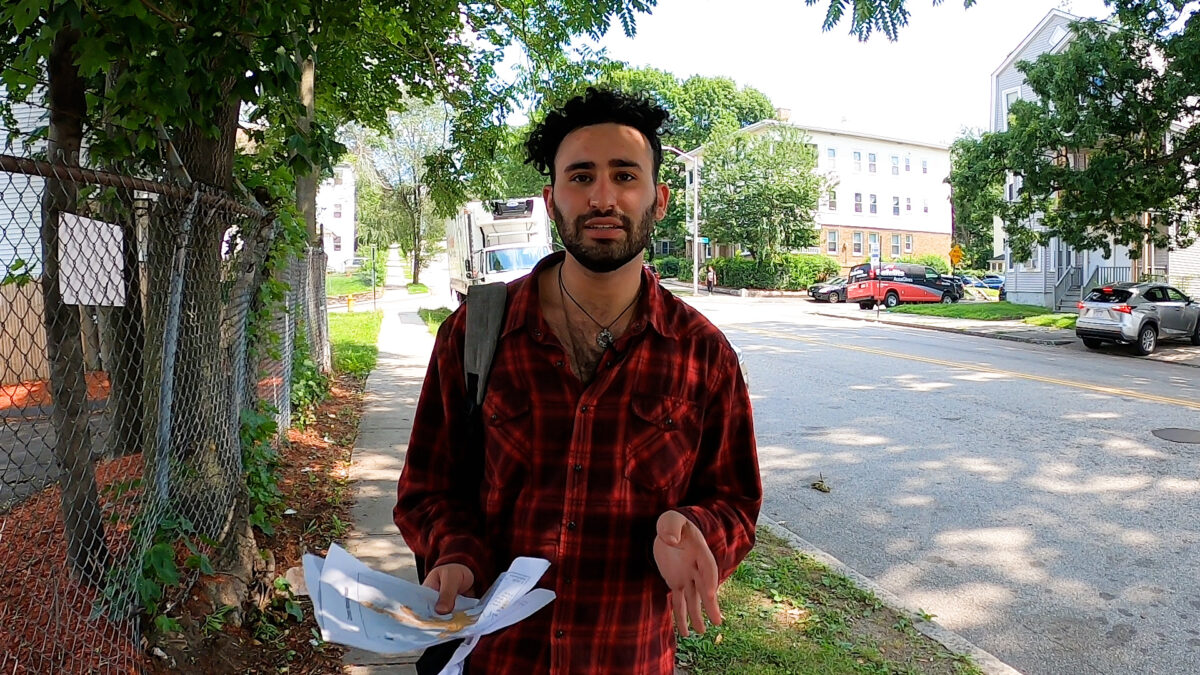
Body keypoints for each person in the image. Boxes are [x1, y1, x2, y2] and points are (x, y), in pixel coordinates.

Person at [394, 87, 761, 674]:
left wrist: (697, 528)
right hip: (495, 658)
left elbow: (736, 500)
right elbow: (429, 487)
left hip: (627, 656)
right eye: (581, 176)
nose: (603, 196)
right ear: (552, 198)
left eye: (624, 175)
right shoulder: (478, 330)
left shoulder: (702, 355)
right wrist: (455, 552)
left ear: (658, 198)